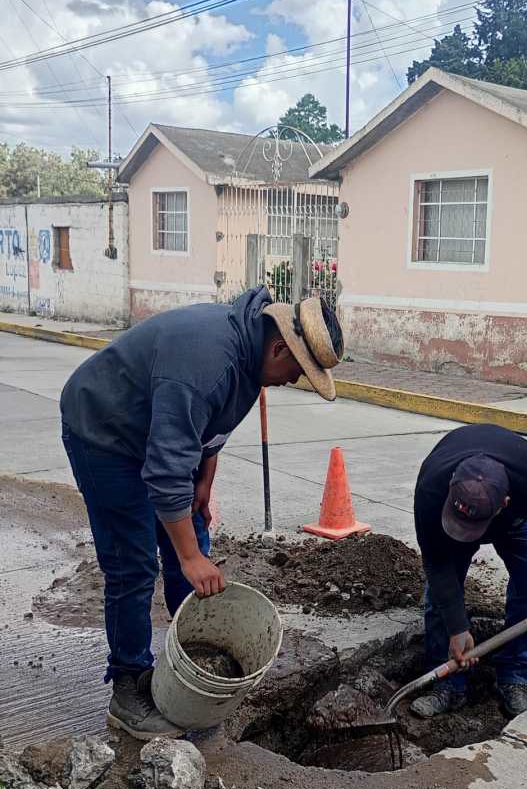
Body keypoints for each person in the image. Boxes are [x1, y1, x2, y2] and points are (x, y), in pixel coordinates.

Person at [59, 286, 344, 739]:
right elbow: (165, 470)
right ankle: (128, 687)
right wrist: (191, 557)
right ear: (278, 347)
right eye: (298, 370)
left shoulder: (250, 361)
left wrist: (204, 485)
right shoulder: (208, 361)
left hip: (156, 436)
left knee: (189, 531)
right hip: (105, 432)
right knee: (132, 562)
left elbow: (210, 432)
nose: (295, 380)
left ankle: (188, 650)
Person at [411, 424, 527, 718]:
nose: (466, 535)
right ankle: (447, 684)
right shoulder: (432, 485)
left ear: (503, 503)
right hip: (447, 520)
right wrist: (458, 628)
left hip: (517, 523)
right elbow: (437, 564)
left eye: (472, 529)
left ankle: (515, 679)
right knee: (441, 597)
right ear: (451, 485)